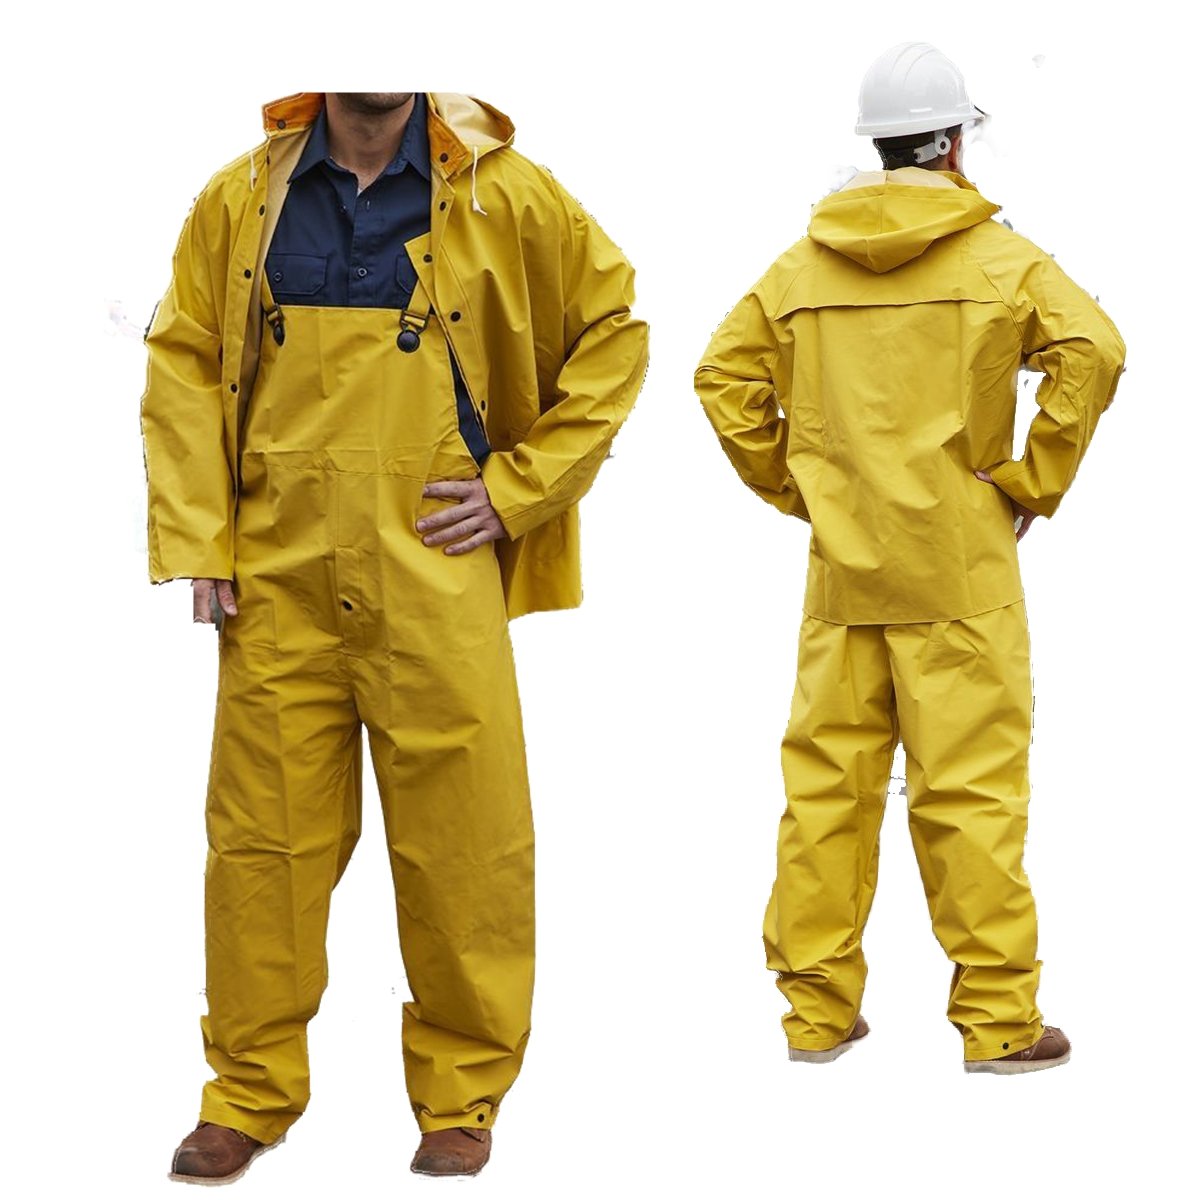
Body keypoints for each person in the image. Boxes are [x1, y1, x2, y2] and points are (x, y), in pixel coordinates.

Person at [142, 91, 648, 1183]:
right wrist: (200, 537)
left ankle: (462, 1095)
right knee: (260, 849)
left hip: (434, 569)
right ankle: (247, 1094)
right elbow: (183, 357)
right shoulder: (244, 195)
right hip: (276, 578)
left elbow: (614, 332)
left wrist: (518, 490)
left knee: (466, 845)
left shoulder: (505, 193)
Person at [694, 44, 1123, 1075]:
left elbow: (722, 378)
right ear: (955, 144)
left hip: (845, 578)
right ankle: (999, 1025)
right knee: (968, 797)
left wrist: (802, 488)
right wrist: (1031, 481)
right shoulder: (999, 262)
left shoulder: (802, 267)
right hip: (961, 575)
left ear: (880, 145)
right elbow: (1094, 350)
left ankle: (815, 1017)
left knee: (826, 796)